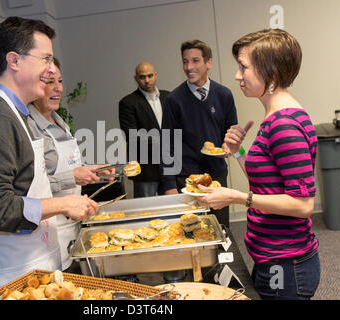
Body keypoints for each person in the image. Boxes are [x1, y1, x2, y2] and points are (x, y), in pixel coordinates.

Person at [0, 17, 98, 293]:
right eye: (45, 60)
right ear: (14, 61)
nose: (51, 70)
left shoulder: (15, 114)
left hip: (33, 261)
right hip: (12, 268)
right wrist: (63, 204)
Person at [196, 29, 320, 300]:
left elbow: (303, 205)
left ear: (271, 73)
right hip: (273, 258)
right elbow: (268, 183)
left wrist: (238, 198)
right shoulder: (274, 117)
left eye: (244, 68)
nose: (237, 76)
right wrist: (237, 151)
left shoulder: (284, 125)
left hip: (288, 264)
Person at [27, 57, 113, 273]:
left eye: (60, 81)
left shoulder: (59, 120)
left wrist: (93, 171)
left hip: (72, 225)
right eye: (49, 81)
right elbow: (29, 187)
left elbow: (68, 167)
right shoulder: (29, 126)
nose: (57, 88)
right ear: (34, 85)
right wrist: (72, 177)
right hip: (48, 231)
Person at [160, 40, 238, 227]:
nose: (189, 67)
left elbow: (231, 130)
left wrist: (228, 145)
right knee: (191, 232)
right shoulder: (174, 100)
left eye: (195, 61)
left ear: (208, 62)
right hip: (187, 179)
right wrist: (169, 186)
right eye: (185, 62)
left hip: (216, 176)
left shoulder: (224, 95)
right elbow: (167, 144)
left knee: (220, 229)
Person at [119, 62, 170, 197]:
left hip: (169, 165)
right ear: (136, 79)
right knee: (145, 212)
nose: (147, 80)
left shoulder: (168, 97)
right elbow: (132, 135)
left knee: (173, 209)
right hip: (145, 169)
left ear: (155, 75)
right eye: (142, 77)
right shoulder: (128, 102)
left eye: (150, 76)